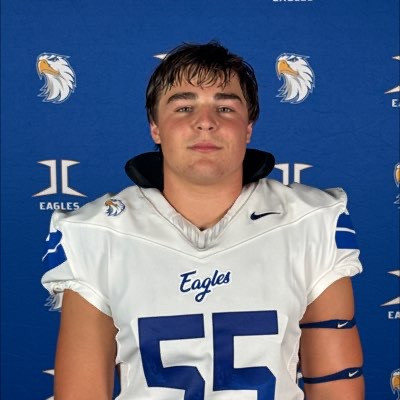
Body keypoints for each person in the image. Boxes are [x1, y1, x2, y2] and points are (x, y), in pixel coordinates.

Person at [42, 41, 364, 400]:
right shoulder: (97, 233)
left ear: (248, 127)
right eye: (184, 107)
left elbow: (336, 386)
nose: (206, 122)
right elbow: (82, 393)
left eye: (225, 107)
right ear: (155, 127)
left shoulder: (309, 222)